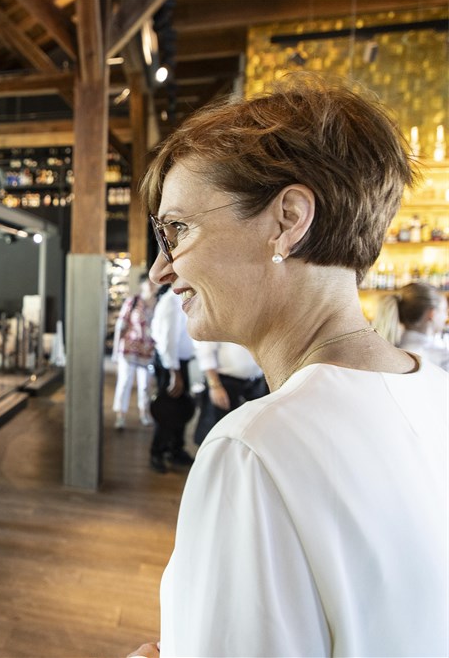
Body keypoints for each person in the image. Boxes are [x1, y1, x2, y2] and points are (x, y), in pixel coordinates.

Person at [127, 74, 448, 657]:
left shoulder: (254, 449)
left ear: (288, 220)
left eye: (177, 229)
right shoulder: (434, 390)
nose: (160, 269)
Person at [147, 284, 195, 473]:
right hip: (171, 365)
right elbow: (168, 341)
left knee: (180, 409)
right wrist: (175, 373)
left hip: (178, 363)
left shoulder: (177, 300)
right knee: (166, 410)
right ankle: (157, 451)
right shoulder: (171, 302)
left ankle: (175, 449)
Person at [191, 340, 268, 445]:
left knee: (251, 428)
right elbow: (205, 352)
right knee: (215, 429)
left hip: (256, 381)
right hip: (224, 383)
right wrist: (215, 386)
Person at [111, 273, 159, 429]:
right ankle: (120, 416)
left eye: (153, 283)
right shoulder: (133, 301)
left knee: (145, 385)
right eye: (148, 282)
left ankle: (144, 413)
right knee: (125, 382)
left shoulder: (158, 303)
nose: (151, 286)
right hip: (129, 349)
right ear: (142, 284)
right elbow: (121, 325)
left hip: (148, 350)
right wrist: (116, 351)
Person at [372, 281, 449, 371]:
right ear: (432, 314)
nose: (446, 316)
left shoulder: (387, 350)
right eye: (444, 310)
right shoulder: (441, 358)